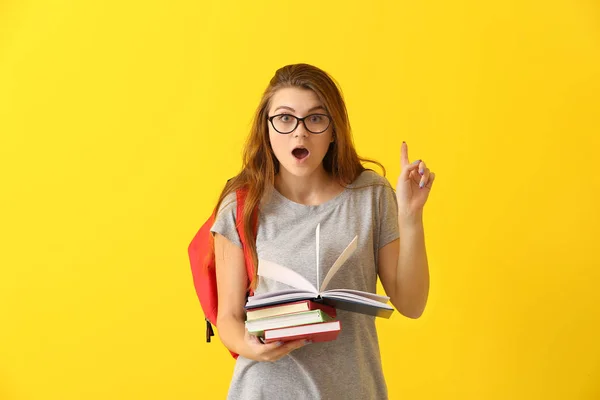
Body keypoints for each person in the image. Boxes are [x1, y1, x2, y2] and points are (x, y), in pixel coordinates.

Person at [210, 63, 435, 400]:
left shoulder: (371, 194)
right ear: (266, 128)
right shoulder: (242, 202)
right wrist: (252, 346)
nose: (299, 133)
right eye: (285, 118)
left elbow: (412, 304)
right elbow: (227, 317)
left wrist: (411, 215)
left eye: (315, 118)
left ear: (333, 130)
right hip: (265, 389)